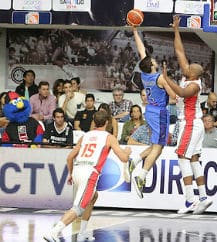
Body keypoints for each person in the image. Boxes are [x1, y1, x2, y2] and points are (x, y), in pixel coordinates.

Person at [43, 110, 131, 242]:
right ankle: (54, 232)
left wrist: (71, 174)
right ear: (107, 122)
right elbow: (124, 158)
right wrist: (127, 151)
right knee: (78, 208)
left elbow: (70, 157)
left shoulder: (85, 136)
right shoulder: (109, 137)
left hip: (78, 169)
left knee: (93, 196)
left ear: (94, 122)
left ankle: (82, 233)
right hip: (89, 173)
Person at [162, 15, 213, 214]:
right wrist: (176, 28)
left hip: (190, 123)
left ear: (194, 74)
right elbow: (179, 50)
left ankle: (190, 200)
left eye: (189, 68)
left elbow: (181, 93)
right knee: (193, 159)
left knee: (182, 157)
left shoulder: (194, 85)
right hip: (193, 123)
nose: (186, 66)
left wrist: (166, 79)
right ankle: (203, 197)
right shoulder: (189, 74)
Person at [124, 24, 176, 198]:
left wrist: (135, 32)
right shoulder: (159, 77)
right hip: (160, 112)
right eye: (153, 61)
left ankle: (135, 161)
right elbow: (173, 96)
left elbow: (141, 51)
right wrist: (170, 81)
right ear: (152, 66)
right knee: (159, 147)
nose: (154, 60)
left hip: (150, 110)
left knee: (157, 147)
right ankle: (141, 175)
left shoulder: (145, 74)